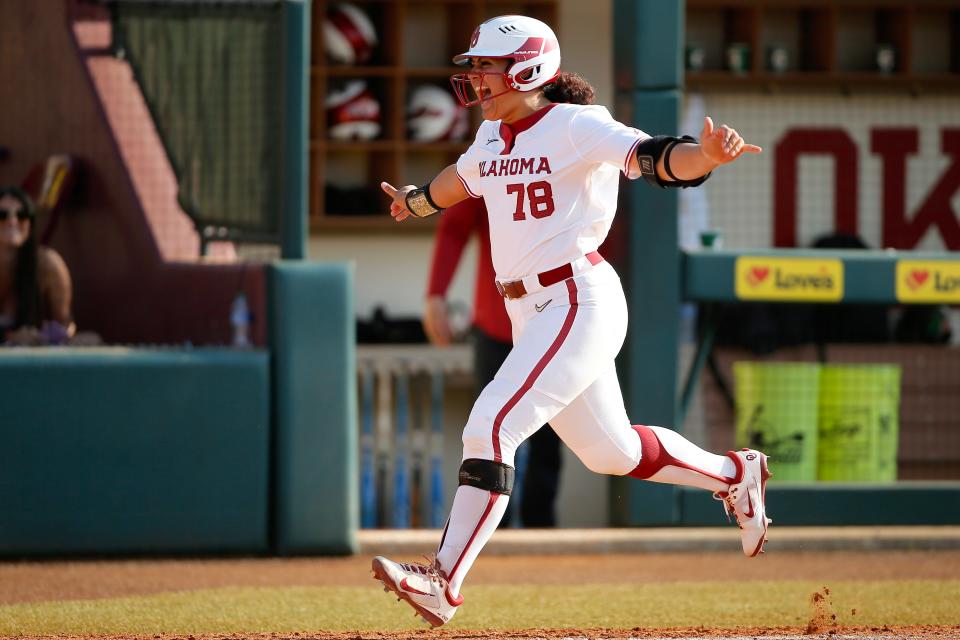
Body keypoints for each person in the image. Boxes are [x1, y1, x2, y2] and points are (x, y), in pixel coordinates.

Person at [374, 16, 768, 628]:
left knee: (490, 426)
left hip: (576, 297)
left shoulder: (578, 125)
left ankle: (442, 581)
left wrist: (705, 156)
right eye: (475, 67)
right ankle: (734, 474)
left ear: (528, 69)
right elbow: (462, 179)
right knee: (610, 453)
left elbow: (656, 158)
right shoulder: (491, 135)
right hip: (531, 310)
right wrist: (418, 199)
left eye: (488, 67)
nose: (476, 78)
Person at [425, 197, 563, 527]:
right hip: (497, 325)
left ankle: (540, 534)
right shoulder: (494, 148)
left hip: (555, 321)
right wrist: (435, 294)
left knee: (550, 439)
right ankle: (490, 533)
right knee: (490, 436)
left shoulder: (568, 149)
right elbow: (455, 225)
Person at [0, 186, 75, 345]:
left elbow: (65, 325)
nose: (12, 221)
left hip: (30, 362)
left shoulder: (48, 264)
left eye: (21, 215)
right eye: (2, 215)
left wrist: (45, 338)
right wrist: (9, 337)